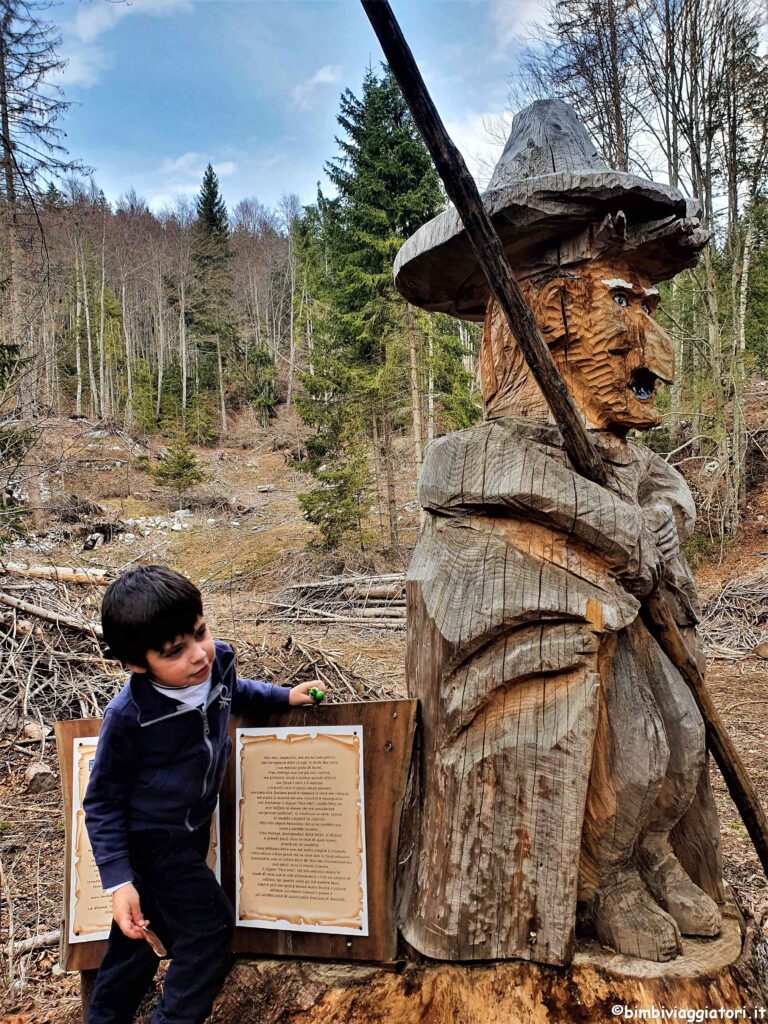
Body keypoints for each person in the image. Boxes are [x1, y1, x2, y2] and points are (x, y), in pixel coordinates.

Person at [83, 564, 322, 1024]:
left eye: (200, 632)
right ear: (137, 664)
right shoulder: (129, 717)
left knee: (143, 935)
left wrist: (285, 697)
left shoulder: (218, 663)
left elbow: (235, 692)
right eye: (175, 650)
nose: (198, 655)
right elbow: (102, 802)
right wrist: (118, 881)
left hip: (191, 831)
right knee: (209, 930)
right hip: (152, 839)